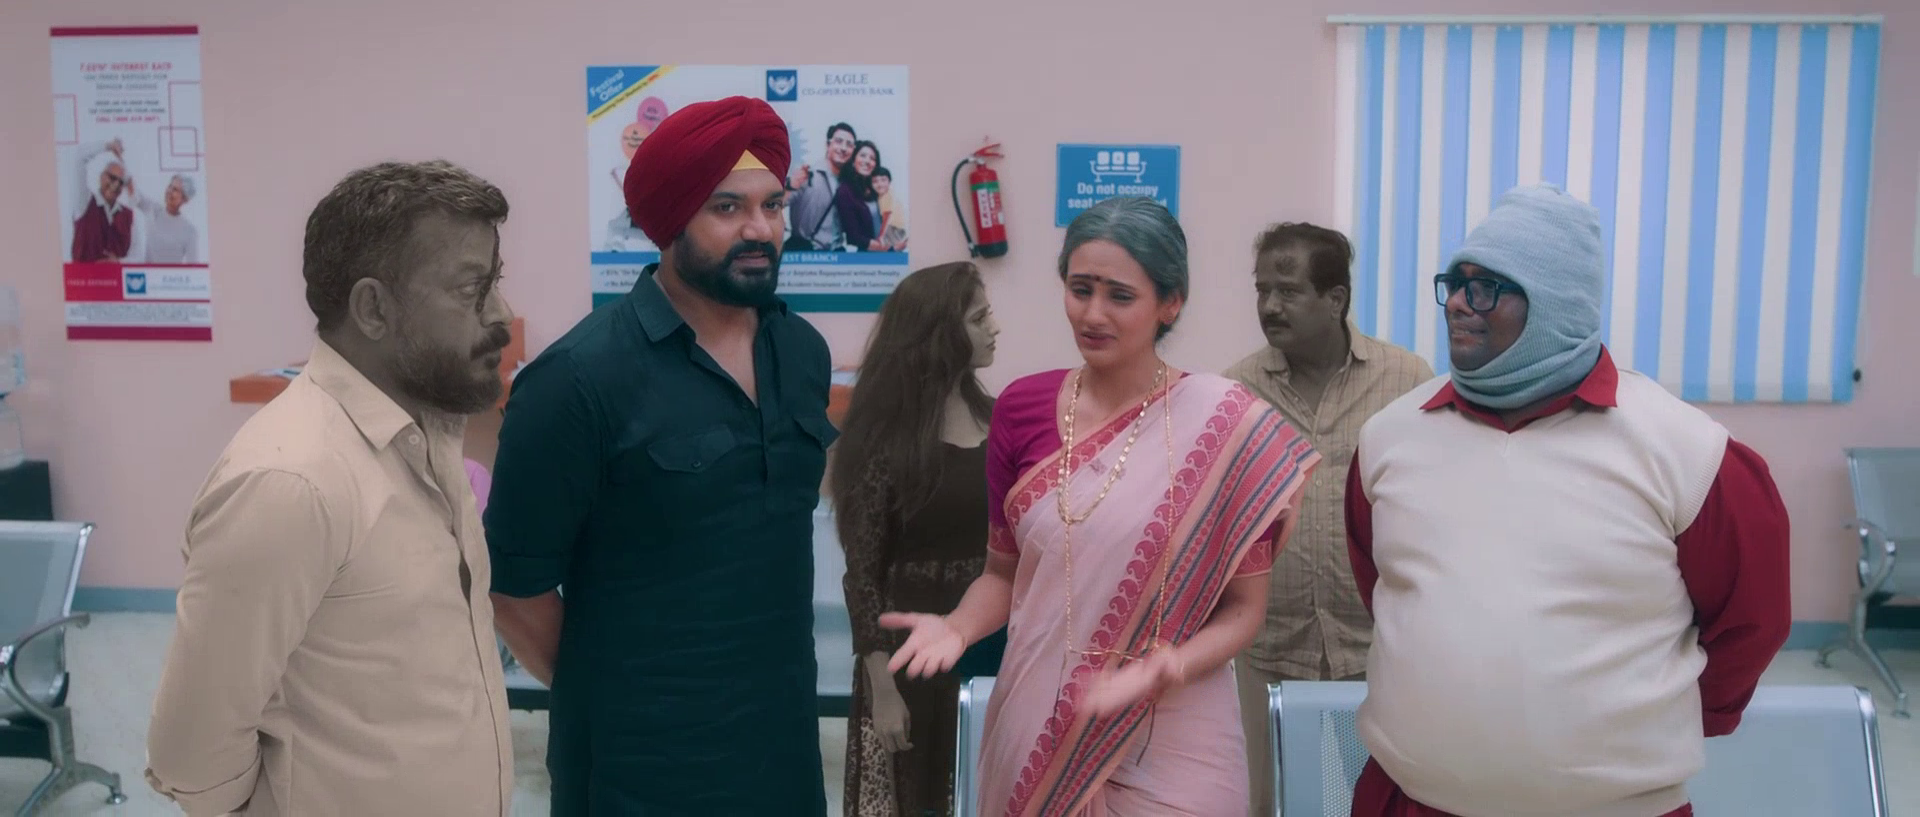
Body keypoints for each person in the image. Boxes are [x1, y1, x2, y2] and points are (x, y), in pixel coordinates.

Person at [1346, 184, 1792, 816]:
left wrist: (1647, 728)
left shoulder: (1688, 452)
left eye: (1486, 287)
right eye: (1456, 284)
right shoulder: (1389, 436)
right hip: (1413, 802)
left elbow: (1752, 625)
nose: (1459, 305)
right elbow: (1383, 589)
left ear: (1555, 304)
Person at [883, 196, 1320, 816]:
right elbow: (1002, 574)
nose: (1093, 314)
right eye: (1080, 288)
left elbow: (1244, 611)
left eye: (1120, 296)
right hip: (1043, 719)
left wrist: (1167, 667)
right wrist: (956, 626)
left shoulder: (1225, 425)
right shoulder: (1022, 409)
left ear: (1170, 303)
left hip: (1180, 731)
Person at [484, 96, 837, 815]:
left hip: (781, 742)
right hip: (636, 764)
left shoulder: (802, 352)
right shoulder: (577, 379)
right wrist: (616, 696)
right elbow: (514, 590)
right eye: (727, 207)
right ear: (671, 219)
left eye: (772, 205)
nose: (760, 229)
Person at [144, 160, 517, 815]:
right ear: (373, 309)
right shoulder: (291, 484)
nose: (501, 314)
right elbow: (191, 752)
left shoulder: (428, 433)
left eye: (496, 282)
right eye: (472, 289)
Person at [1220, 222, 1430, 816]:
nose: (1269, 306)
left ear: (1335, 299)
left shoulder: (1406, 382)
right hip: (1269, 647)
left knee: (1373, 803)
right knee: (1265, 805)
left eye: (1287, 291)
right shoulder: (1236, 391)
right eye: (1262, 290)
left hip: (1373, 648)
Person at [831, 261, 1001, 817]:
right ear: (939, 333)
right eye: (979, 318)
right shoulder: (884, 438)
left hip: (990, 642)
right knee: (919, 797)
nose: (995, 328)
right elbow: (863, 575)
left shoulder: (998, 419)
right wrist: (882, 688)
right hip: (910, 659)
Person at [787, 121, 857, 250]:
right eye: (838, 141)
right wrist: (789, 185)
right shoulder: (808, 175)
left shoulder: (849, 183)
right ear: (827, 145)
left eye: (849, 144)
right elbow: (778, 203)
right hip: (807, 252)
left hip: (838, 253)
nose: (843, 148)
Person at [69, 139, 141, 263]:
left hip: (117, 276)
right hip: (83, 275)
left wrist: (118, 262)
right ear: (101, 177)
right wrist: (108, 146)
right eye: (112, 178)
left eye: (121, 182)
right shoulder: (84, 203)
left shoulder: (129, 215)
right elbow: (80, 157)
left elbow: (138, 257)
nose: (116, 185)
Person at [128, 173, 202, 263]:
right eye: (170, 186)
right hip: (147, 271)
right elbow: (135, 193)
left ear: (185, 199)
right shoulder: (154, 209)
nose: (169, 191)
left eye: (175, 190)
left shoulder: (190, 231)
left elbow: (193, 266)